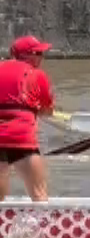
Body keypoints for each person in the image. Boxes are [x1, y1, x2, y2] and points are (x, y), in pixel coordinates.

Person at [0, 35, 55, 202]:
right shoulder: (38, 75)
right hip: (22, 139)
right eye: (37, 53)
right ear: (25, 56)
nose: (41, 57)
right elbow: (47, 110)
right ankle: (45, 226)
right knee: (39, 196)